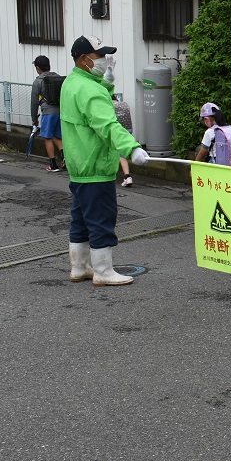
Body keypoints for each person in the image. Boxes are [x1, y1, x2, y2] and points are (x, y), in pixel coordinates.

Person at [62, 34, 150, 287]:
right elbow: (107, 124)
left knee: (80, 218)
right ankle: (103, 270)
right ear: (83, 59)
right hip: (96, 164)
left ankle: (79, 267)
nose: (105, 61)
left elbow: (92, 112)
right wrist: (132, 147)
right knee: (101, 217)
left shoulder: (73, 82)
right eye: (100, 56)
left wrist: (107, 83)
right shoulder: (90, 89)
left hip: (79, 165)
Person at [29, 55, 65, 172]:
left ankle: (53, 164)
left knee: (48, 137)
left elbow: (34, 102)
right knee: (57, 136)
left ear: (38, 68)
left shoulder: (38, 81)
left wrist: (34, 119)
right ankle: (66, 160)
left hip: (48, 113)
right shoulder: (58, 78)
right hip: (60, 112)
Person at [114, 95, 134, 187]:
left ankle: (125, 176)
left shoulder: (109, 105)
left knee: (115, 154)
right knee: (122, 155)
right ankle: (127, 176)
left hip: (117, 131)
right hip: (128, 130)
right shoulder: (123, 104)